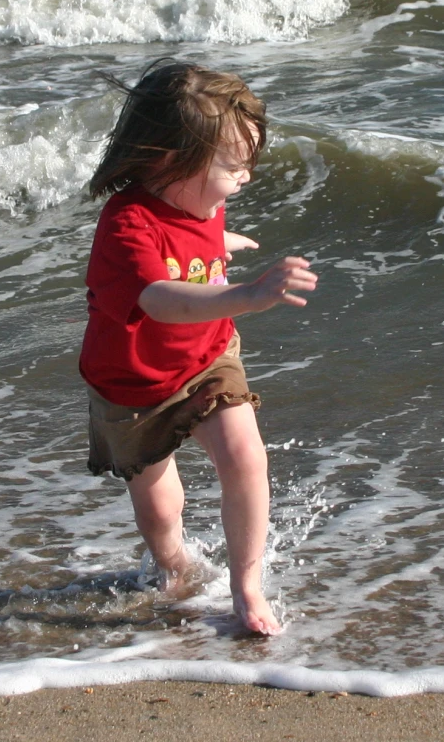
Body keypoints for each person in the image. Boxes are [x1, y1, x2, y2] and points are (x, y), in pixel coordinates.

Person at [79, 60, 317, 636]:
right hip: (134, 383)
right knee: (161, 511)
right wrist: (249, 293)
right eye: (235, 166)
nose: (245, 178)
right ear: (169, 161)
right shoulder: (127, 224)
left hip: (209, 356)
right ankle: (175, 566)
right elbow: (161, 298)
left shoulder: (200, 201)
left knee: (245, 456)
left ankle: (246, 585)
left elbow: (192, 237)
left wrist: (217, 239)